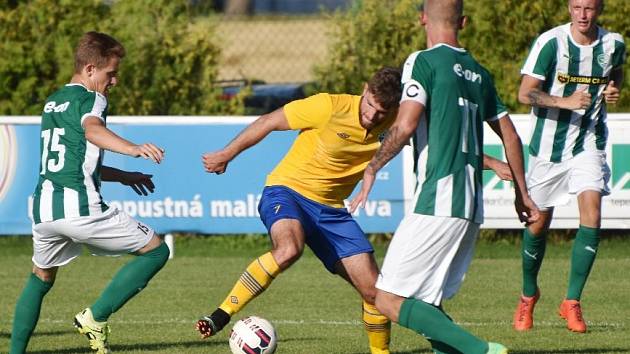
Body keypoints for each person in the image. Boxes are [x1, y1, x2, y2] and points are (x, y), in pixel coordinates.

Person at [197, 66, 513, 353]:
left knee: (376, 291)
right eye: (370, 106)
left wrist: (493, 163)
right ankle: (221, 315)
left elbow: (444, 149)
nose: (373, 117)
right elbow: (268, 121)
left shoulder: (399, 124)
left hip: (332, 212)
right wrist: (227, 154)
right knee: (289, 249)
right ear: (364, 90)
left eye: (382, 113)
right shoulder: (329, 106)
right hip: (287, 190)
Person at [349, 1, 539, 354]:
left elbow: (405, 125)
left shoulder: (422, 62)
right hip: (470, 205)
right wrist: (522, 195)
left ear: (422, 18)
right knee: (428, 302)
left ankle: (483, 351)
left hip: (437, 199)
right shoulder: (480, 73)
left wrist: (373, 165)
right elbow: (510, 136)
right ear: (463, 22)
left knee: (387, 298)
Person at [9, 31, 169, 354]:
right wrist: (132, 148)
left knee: (40, 277)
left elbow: (73, 159)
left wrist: (122, 176)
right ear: (90, 69)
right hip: (79, 209)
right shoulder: (92, 99)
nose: (114, 81)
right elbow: (93, 131)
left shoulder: (53, 101)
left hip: (44, 210)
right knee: (157, 250)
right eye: (111, 73)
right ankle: (94, 317)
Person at [512, 0, 625, 333]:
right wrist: (564, 101)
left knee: (592, 210)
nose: (582, 15)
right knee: (537, 225)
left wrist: (615, 87)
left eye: (588, 8)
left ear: (599, 8)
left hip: (590, 141)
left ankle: (572, 301)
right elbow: (524, 94)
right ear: (568, 8)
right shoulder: (551, 43)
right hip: (548, 148)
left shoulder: (613, 43)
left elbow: (616, 71)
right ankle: (528, 295)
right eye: (576, 7)